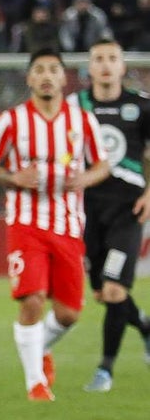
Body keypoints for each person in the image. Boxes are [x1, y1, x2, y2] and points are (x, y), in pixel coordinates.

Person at [0, 48, 110, 402]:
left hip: (67, 224)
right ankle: (36, 383)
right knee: (32, 300)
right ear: (29, 79)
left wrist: (86, 179)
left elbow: (103, 165)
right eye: (39, 70)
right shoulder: (12, 121)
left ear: (64, 78)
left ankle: (38, 350)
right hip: (25, 223)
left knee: (69, 313)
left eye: (53, 70)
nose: (47, 76)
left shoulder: (82, 122)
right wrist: (14, 177)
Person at [70, 39, 150, 393]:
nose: (105, 65)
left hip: (127, 208)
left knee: (116, 289)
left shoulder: (140, 106)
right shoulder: (75, 106)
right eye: (98, 59)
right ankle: (145, 326)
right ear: (89, 68)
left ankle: (105, 370)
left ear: (122, 67)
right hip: (87, 209)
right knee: (103, 292)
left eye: (112, 59)